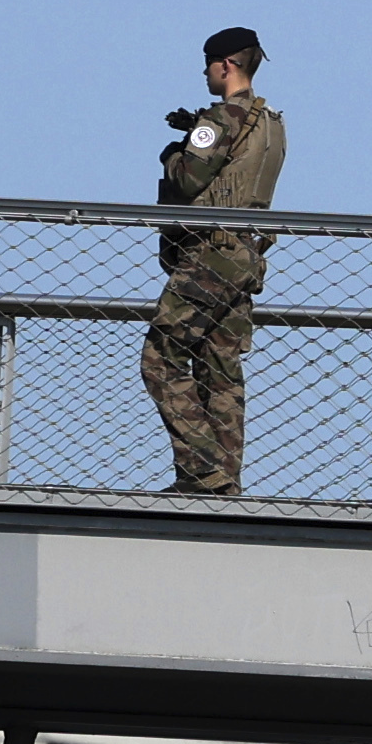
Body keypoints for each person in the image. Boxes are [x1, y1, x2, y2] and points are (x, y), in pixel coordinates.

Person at [141, 27, 286, 493]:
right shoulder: (270, 122)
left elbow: (185, 182)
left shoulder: (220, 117)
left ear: (225, 64)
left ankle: (204, 471)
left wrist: (175, 153)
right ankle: (224, 482)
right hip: (245, 257)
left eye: (208, 64)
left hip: (210, 254)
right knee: (219, 367)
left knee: (161, 359)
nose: (205, 72)